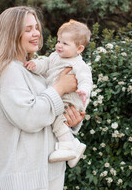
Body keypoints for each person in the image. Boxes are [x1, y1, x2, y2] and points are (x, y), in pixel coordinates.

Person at [0, 6, 85, 190]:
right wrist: (59, 87)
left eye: (36, 27)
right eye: (28, 29)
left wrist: (71, 120)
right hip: (23, 179)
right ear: (11, 34)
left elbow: (49, 115)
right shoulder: (8, 70)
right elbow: (29, 117)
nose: (36, 33)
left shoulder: (33, 69)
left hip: (48, 173)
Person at [24, 20, 92, 168]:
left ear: (79, 48)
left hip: (71, 99)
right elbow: (46, 64)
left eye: (65, 44)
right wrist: (35, 65)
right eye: (59, 41)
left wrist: (84, 91)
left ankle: (67, 146)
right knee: (58, 118)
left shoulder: (78, 64)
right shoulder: (55, 56)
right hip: (58, 96)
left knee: (58, 119)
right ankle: (73, 146)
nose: (59, 45)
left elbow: (86, 80)